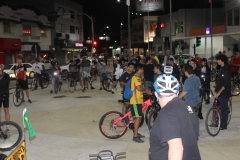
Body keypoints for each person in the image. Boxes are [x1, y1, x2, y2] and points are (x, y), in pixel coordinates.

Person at [149, 73, 201, 160]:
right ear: (177, 92)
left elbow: (176, 148)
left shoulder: (167, 113)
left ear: (156, 94)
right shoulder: (187, 107)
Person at [130, 63, 152, 143]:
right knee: (137, 118)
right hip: (135, 101)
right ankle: (135, 136)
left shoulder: (138, 77)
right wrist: (146, 90)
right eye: (142, 69)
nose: (143, 71)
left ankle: (136, 132)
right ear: (139, 70)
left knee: (138, 118)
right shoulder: (136, 78)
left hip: (138, 100)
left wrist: (146, 92)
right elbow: (139, 88)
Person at [214, 54, 231, 130]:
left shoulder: (227, 70)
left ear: (222, 61)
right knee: (216, 107)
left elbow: (225, 84)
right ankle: (216, 122)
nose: (217, 61)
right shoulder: (221, 69)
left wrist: (219, 92)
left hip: (224, 93)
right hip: (219, 92)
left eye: (218, 60)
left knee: (223, 109)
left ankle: (223, 125)